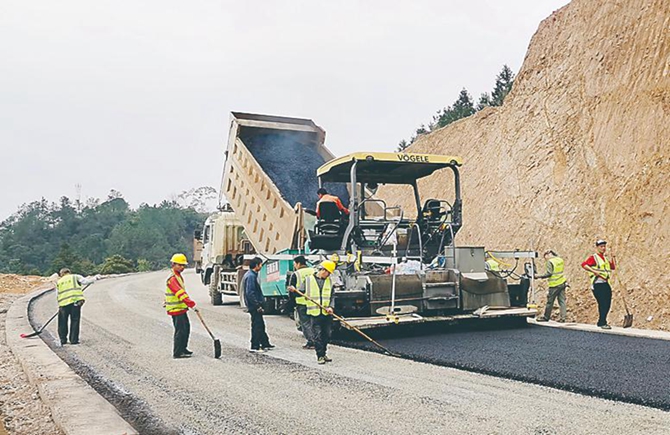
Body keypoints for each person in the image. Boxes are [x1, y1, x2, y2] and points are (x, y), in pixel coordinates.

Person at [299, 260, 336, 364]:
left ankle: (324, 353)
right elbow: (300, 292)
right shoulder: (308, 280)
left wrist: (331, 307)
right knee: (317, 335)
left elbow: (332, 296)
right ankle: (320, 355)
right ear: (323, 270)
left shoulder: (329, 281)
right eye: (328, 272)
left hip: (326, 313)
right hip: (314, 313)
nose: (328, 275)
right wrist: (294, 291)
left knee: (327, 335)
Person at [56, 268, 98, 345]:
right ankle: (73, 340)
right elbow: (86, 281)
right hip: (75, 302)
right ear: (69, 272)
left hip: (63, 304)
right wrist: (95, 278)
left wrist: (60, 304)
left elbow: (57, 294)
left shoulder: (59, 282)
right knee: (75, 320)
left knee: (62, 322)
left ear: (61, 274)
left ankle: (63, 340)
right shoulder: (75, 277)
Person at [165, 253, 196, 358]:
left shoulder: (178, 276)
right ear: (173, 264)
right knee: (180, 330)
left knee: (186, 328)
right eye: (180, 265)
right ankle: (178, 352)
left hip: (181, 308)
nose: (182, 267)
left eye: (183, 265)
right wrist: (190, 303)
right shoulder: (172, 278)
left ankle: (183, 348)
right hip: (175, 309)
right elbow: (179, 293)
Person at [581, 239, 616, 329]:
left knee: (607, 303)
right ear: (597, 247)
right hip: (597, 283)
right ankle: (602, 322)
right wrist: (594, 271)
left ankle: (602, 321)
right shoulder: (594, 257)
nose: (603, 248)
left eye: (604, 246)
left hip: (605, 282)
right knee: (602, 303)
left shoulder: (604, 259)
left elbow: (613, 267)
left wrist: (613, 257)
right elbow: (584, 265)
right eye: (601, 246)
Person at [243, 257, 274, 352]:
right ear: (256, 265)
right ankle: (255, 345)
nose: (261, 266)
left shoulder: (251, 275)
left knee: (260, 324)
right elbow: (250, 293)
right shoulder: (251, 276)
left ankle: (265, 343)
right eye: (260, 264)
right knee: (257, 325)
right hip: (254, 306)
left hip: (254, 305)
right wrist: (257, 305)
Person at [287, 256, 316, 349]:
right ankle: (317, 340)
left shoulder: (296, 274)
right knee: (314, 323)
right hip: (314, 302)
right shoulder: (314, 271)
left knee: (305, 323)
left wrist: (292, 304)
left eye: (295, 264)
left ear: (298, 263)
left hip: (302, 303)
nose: (295, 266)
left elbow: (292, 291)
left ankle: (311, 342)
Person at [535, 250, 568, 322]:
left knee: (550, 302)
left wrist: (538, 276)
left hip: (554, 285)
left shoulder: (550, 262)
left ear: (549, 254)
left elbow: (549, 273)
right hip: (562, 282)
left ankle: (546, 317)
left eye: (545, 257)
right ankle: (563, 318)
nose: (545, 259)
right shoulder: (560, 260)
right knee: (562, 301)